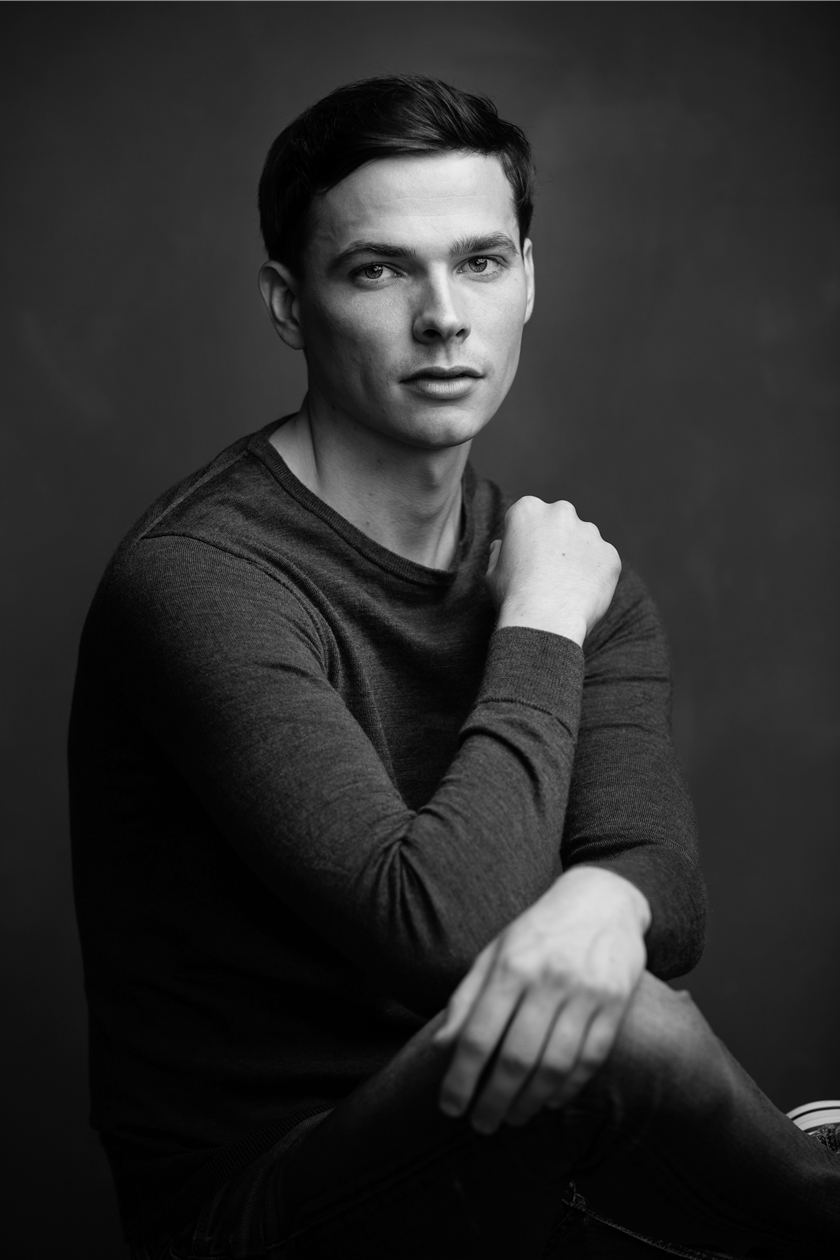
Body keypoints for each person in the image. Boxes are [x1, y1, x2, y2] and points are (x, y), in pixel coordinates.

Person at [69, 75, 840, 1259]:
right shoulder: (201, 578)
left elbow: (665, 892)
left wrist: (599, 900)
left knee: (617, 993)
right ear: (288, 304)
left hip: (508, 1154)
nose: (443, 317)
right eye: (379, 270)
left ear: (528, 278)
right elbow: (442, 929)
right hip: (269, 1203)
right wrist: (538, 625)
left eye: (479, 262)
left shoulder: (568, 575)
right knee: (622, 1028)